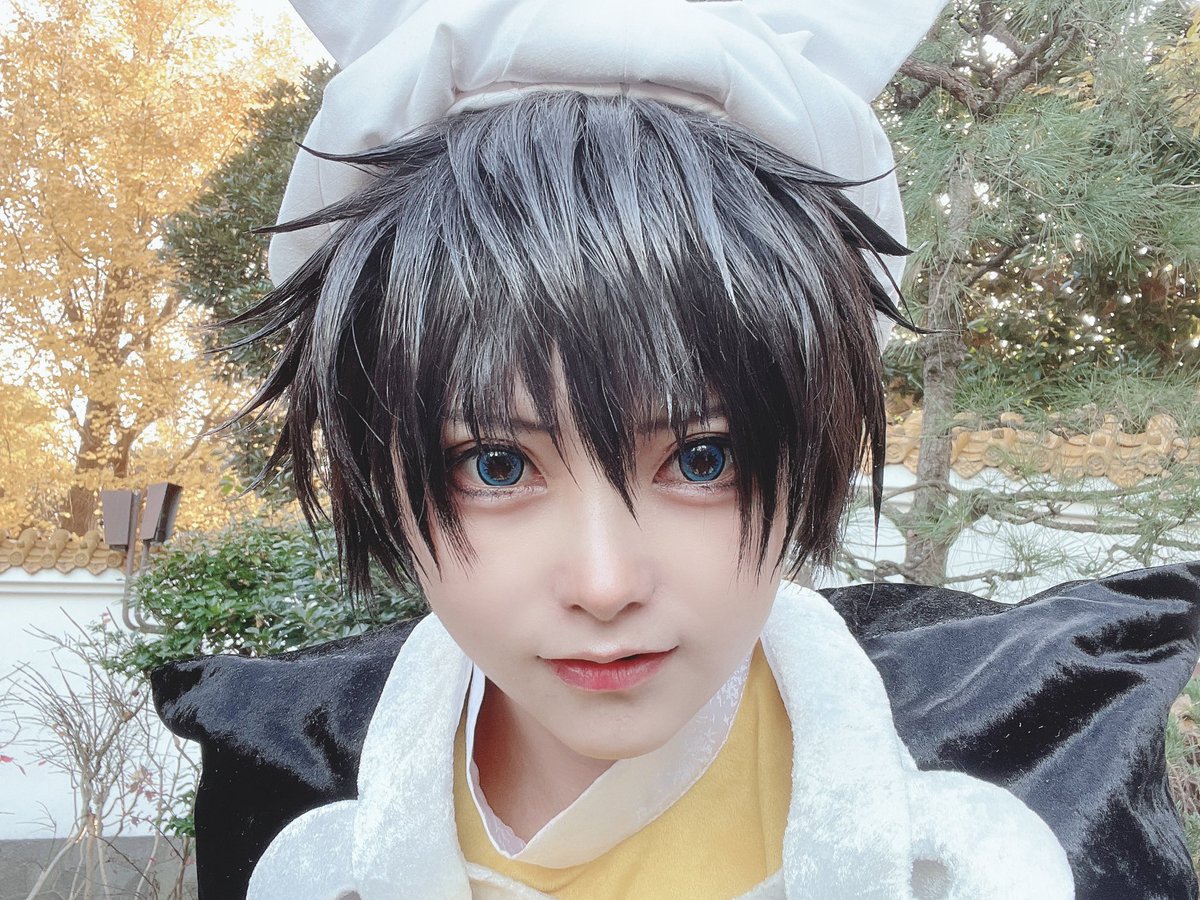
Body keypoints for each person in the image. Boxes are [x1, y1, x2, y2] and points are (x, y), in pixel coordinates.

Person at [152, 1, 1200, 897]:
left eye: (703, 460)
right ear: (378, 464)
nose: (605, 584)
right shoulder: (290, 787)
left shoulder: (1030, 781)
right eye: (496, 466)